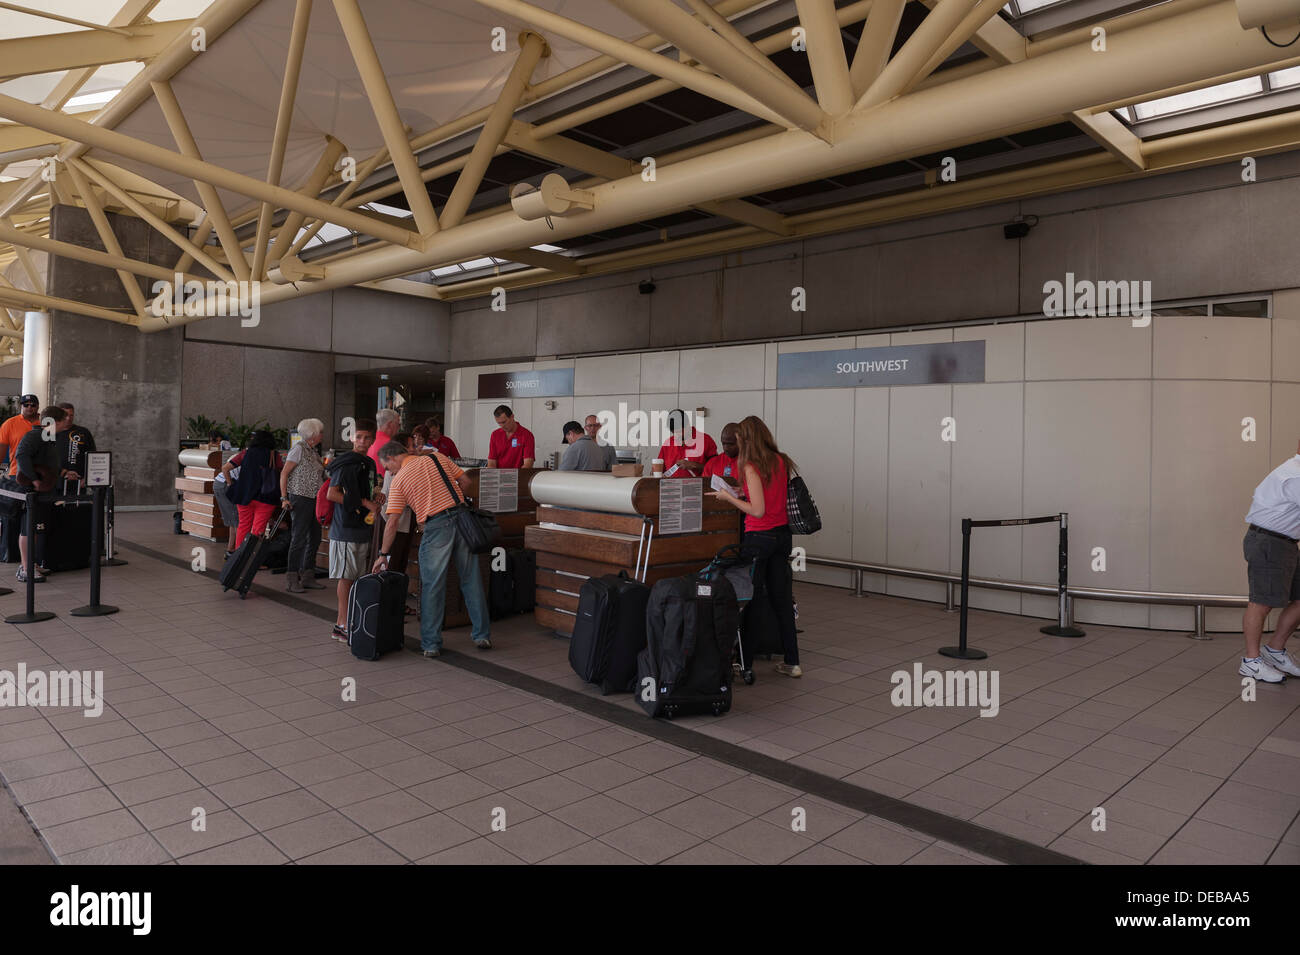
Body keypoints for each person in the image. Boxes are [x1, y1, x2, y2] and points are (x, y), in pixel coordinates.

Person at [372, 440, 490, 656]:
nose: (388, 472)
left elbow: (392, 522)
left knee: (433, 585)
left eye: (387, 467)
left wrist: (383, 554)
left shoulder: (399, 481)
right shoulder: (438, 458)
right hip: (462, 521)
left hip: (436, 526)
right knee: (471, 579)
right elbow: (465, 481)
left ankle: (431, 644)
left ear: (392, 458)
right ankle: (481, 634)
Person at [707, 415, 800, 680]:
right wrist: (741, 493)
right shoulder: (781, 460)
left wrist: (728, 497)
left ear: (746, 439)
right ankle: (792, 662)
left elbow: (757, 511)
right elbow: (769, 496)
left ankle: (745, 665)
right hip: (782, 536)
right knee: (781, 599)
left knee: (751, 599)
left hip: (759, 539)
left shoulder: (750, 465)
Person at [1238, 446, 1300, 683]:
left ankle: (1274, 651)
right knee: (1261, 602)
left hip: (1286, 543)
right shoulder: (1296, 475)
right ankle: (1251, 662)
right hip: (1269, 542)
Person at [325, 419, 380, 641]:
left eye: (367, 437)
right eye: (358, 437)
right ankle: (342, 623)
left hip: (361, 527)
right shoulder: (346, 463)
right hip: (345, 528)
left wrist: (375, 496)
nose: (362, 441)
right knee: (346, 578)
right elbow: (332, 494)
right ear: (351, 437)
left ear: (373, 439)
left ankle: (348, 622)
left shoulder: (368, 463)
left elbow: (365, 489)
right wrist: (366, 504)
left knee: (356, 577)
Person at [13, 406, 72, 582]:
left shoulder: (48, 438)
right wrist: (34, 479)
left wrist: (63, 473)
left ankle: (31, 564)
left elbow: (48, 463)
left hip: (43, 491)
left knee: (36, 528)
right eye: (64, 419)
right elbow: (21, 455)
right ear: (55, 421)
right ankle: (25, 568)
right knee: (28, 528)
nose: (67, 422)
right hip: (32, 491)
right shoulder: (35, 435)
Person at [280, 418, 327, 593]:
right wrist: (284, 497)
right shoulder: (298, 449)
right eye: (321, 432)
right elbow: (284, 474)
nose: (322, 434)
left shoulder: (312, 451)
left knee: (314, 538)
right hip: (300, 498)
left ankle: (308, 575)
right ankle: (292, 579)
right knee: (298, 538)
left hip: (314, 499)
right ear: (313, 434)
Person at [228, 430, 284, 548]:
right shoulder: (274, 455)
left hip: (244, 496)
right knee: (258, 529)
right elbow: (282, 472)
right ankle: (252, 561)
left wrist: (230, 484)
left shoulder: (245, 453)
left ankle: (239, 559)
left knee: (243, 526)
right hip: (266, 496)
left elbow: (225, 468)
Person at [657, 408, 715, 478]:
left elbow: (716, 469)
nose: (677, 435)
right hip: (671, 487)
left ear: (687, 425)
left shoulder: (705, 440)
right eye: (674, 432)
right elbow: (659, 470)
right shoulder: (668, 443)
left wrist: (695, 465)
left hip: (698, 487)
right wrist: (656, 473)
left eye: (679, 431)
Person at [215, 438, 244, 555]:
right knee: (236, 519)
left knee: (234, 520)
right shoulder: (246, 458)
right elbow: (225, 468)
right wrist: (230, 484)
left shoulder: (244, 455)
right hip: (223, 485)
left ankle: (231, 549)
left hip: (219, 483)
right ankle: (237, 552)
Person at [0, 394, 41, 476]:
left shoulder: (46, 422)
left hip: (41, 472)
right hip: (17, 473)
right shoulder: (9, 423)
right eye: (26, 405)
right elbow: (2, 448)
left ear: (38, 407)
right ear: (21, 406)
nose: (29, 407)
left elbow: (52, 448)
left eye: (33, 405)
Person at [54, 402, 95, 482]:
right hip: (56, 481)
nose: (68, 418)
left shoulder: (83, 432)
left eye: (71, 415)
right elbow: (45, 459)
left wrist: (87, 478)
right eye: (65, 415)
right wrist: (63, 472)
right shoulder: (51, 433)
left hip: (79, 481)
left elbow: (92, 456)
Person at [368, 408, 400, 479]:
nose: (399, 428)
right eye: (398, 424)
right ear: (390, 425)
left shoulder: (369, 441)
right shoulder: (393, 445)